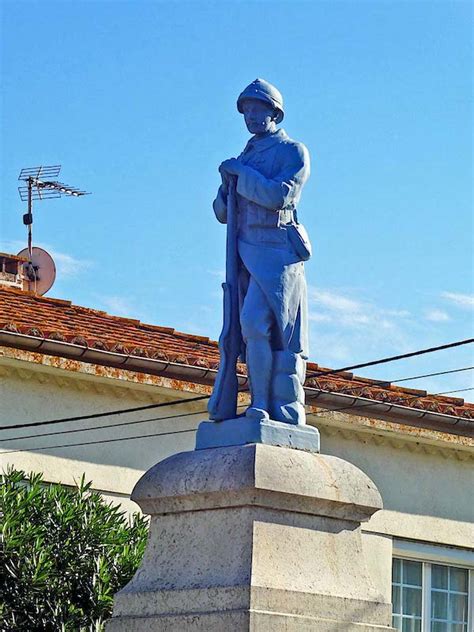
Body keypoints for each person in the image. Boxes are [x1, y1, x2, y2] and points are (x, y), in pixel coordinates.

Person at [213, 78, 311, 425]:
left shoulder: (292, 152)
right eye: (247, 111)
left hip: (277, 252)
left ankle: (272, 405)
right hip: (244, 251)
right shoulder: (245, 155)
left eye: (258, 109)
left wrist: (241, 173)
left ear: (274, 112)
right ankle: (258, 403)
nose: (251, 117)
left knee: (268, 330)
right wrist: (226, 187)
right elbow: (223, 213)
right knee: (250, 327)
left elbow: (279, 196)